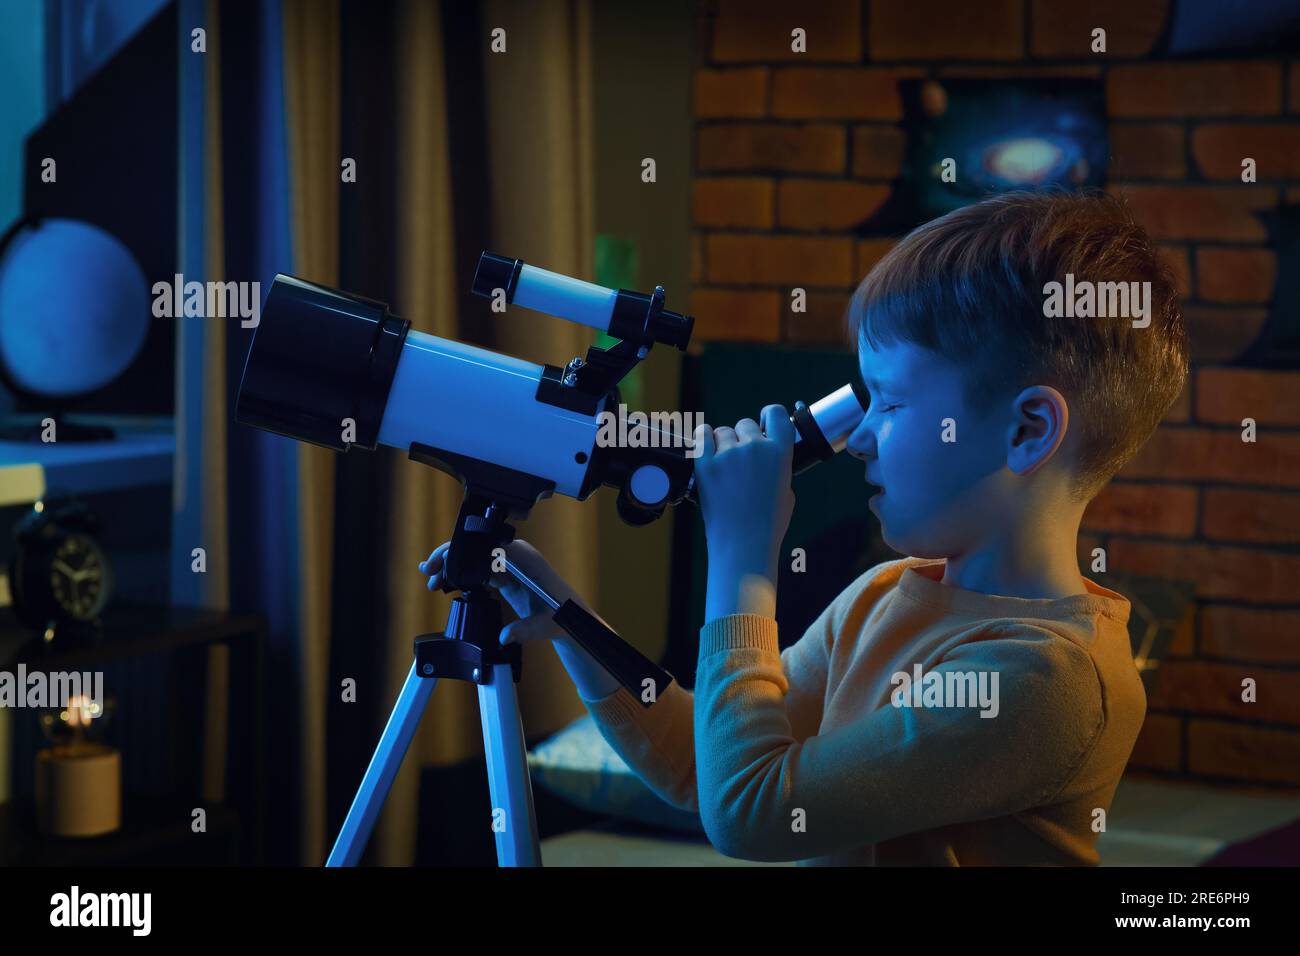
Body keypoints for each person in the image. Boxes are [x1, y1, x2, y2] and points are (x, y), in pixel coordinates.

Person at [420, 188, 1187, 865]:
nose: (857, 437)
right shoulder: (888, 591)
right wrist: (564, 616)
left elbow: (753, 812)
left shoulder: (1047, 681)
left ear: (1026, 431)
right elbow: (707, 762)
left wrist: (743, 558)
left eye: (889, 402)